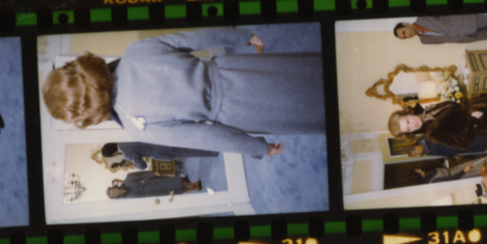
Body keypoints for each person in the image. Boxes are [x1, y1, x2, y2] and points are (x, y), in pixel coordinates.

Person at [43, 34, 325, 159]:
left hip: (238, 109)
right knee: (311, 70)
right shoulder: (135, 50)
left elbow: (206, 137)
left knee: (316, 109)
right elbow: (194, 37)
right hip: (234, 68)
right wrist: (241, 36)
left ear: (85, 114)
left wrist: (259, 148)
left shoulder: (134, 125)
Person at [393, 12, 487, 45]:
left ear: (405, 24)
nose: (407, 35)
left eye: (404, 32)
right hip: (464, 37)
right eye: (404, 37)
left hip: (465, 21)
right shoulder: (424, 41)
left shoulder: (423, 16)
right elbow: (445, 40)